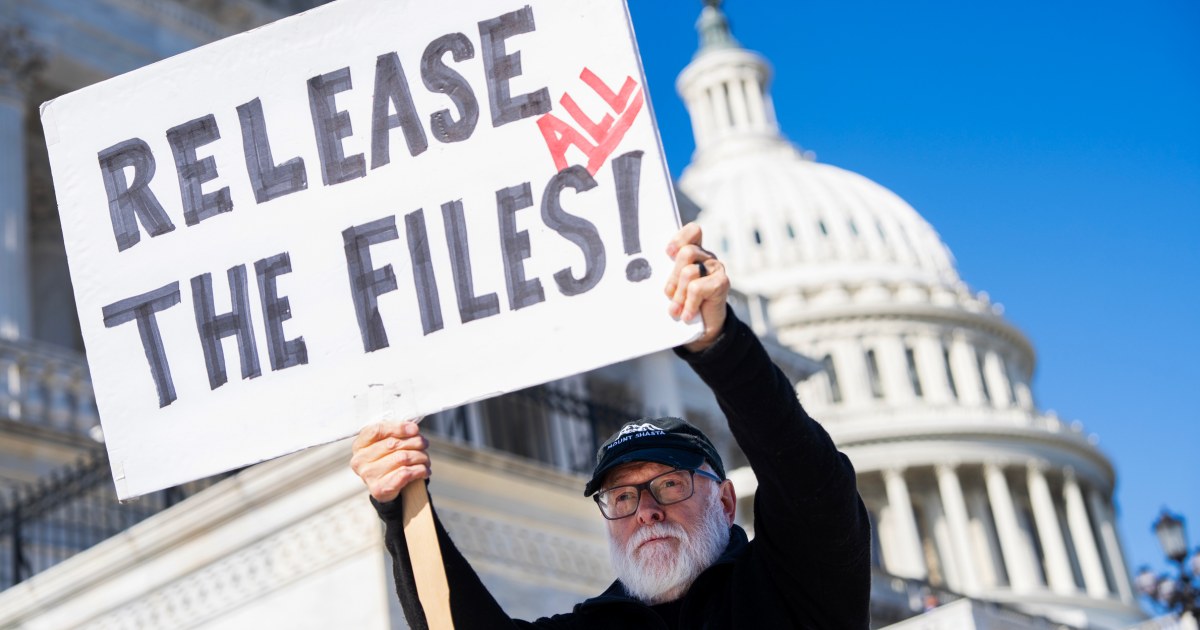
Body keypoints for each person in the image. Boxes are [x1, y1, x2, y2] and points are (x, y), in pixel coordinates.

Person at [350, 223, 871, 629]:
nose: (646, 512)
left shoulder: (794, 586)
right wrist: (398, 500)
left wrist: (719, 345)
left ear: (726, 501)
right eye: (621, 497)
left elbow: (811, 481)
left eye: (670, 484)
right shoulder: (595, 627)